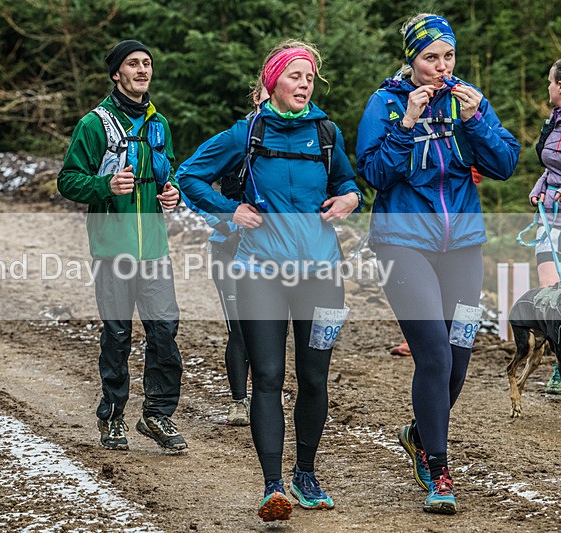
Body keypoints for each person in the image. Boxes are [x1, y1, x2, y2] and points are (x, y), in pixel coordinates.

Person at [179, 40, 362, 520]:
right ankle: (272, 486)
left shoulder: (326, 132)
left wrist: (348, 200)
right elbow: (190, 176)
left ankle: (305, 474)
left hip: (322, 273)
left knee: (315, 378)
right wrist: (230, 209)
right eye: (295, 75)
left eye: (309, 77)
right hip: (259, 271)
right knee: (268, 376)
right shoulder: (246, 134)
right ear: (271, 81)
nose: (304, 83)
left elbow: (347, 183)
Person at [356, 13, 519, 514]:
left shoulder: (468, 100)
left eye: (448, 56)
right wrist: (406, 123)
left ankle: (418, 432)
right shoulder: (385, 103)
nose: (441, 67)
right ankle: (440, 470)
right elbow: (374, 173)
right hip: (402, 242)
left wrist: (478, 120)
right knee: (435, 353)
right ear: (412, 59)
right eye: (431, 58)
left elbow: (505, 165)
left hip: (464, 242)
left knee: (461, 353)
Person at [57, 40, 187, 452]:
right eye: (133, 64)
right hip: (112, 249)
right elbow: (68, 180)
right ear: (117, 74)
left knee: (164, 332)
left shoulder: (158, 123)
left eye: (147, 63)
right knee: (117, 335)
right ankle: (112, 417)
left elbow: (168, 173)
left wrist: (172, 192)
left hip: (154, 250)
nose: (142, 70)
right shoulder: (95, 124)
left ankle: (157, 415)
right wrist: (104, 185)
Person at [177, 81, 270, 427]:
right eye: (265, 95)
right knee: (241, 329)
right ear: (256, 97)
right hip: (229, 247)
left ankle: (264, 398)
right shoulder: (238, 137)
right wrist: (226, 215)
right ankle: (238, 401)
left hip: (272, 253)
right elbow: (188, 180)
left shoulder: (294, 139)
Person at [528, 58, 561, 394]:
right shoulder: (552, 122)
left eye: (551, 82)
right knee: (550, 297)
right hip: (549, 220)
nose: (547, 87)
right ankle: (559, 366)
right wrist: (540, 187)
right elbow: (550, 166)